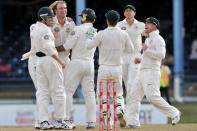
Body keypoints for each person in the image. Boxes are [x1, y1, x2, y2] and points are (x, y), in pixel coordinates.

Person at [126, 17, 181, 128]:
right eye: (145, 23)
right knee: (133, 96)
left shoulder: (159, 39)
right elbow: (148, 56)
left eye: (149, 23)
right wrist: (140, 58)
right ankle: (133, 122)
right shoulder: (148, 38)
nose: (146, 25)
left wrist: (146, 50)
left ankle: (174, 112)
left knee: (152, 97)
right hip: (142, 71)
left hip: (152, 72)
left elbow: (161, 55)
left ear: (155, 26)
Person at [86, 10, 134, 129]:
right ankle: (119, 109)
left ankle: (109, 121)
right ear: (117, 21)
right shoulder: (124, 34)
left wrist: (90, 34)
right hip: (117, 68)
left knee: (103, 96)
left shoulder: (101, 33)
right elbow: (131, 50)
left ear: (107, 20)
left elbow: (88, 46)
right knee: (117, 94)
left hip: (104, 68)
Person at [61, 8, 97, 129]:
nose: (81, 18)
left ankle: (65, 120)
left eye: (82, 16)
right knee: (90, 93)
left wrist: (54, 49)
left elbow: (67, 46)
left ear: (85, 17)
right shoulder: (93, 30)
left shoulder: (78, 28)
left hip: (77, 62)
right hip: (89, 64)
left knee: (68, 91)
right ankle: (91, 122)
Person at [33, 6, 67, 130]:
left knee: (43, 92)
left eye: (52, 16)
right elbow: (48, 47)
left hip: (39, 61)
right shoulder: (46, 31)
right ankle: (59, 121)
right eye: (49, 17)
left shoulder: (35, 28)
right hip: (50, 60)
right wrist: (60, 61)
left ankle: (43, 122)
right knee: (58, 91)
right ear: (42, 18)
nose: (52, 19)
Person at [49, 1, 76, 129]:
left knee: (67, 90)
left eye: (65, 8)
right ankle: (56, 119)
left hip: (66, 59)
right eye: (60, 8)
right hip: (53, 59)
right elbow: (42, 14)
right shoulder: (50, 21)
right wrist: (53, 3)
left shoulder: (71, 23)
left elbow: (72, 41)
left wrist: (59, 48)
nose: (63, 11)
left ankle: (66, 119)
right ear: (55, 11)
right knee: (54, 90)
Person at [117, 4, 145, 125]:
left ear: (134, 13)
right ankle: (124, 114)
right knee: (124, 86)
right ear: (124, 13)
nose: (128, 12)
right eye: (126, 10)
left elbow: (151, 36)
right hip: (123, 57)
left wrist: (144, 54)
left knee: (132, 87)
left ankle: (132, 120)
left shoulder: (141, 25)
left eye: (131, 11)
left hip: (135, 57)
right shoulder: (119, 25)